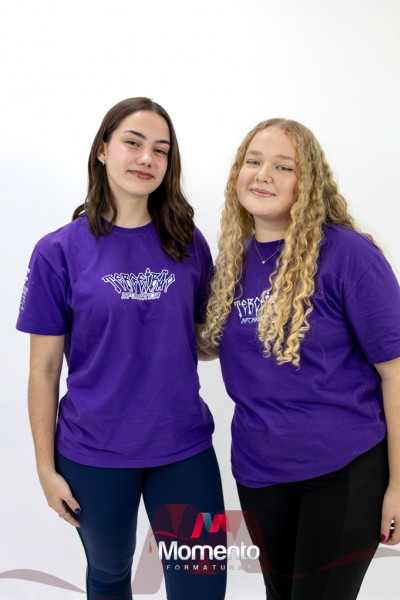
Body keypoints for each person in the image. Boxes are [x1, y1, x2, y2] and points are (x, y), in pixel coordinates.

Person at [16, 97, 226, 600]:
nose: (147, 158)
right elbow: (43, 370)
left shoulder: (187, 242)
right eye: (133, 143)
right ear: (103, 150)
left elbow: (204, 341)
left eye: (161, 150)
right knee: (109, 574)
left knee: (202, 584)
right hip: (94, 452)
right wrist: (45, 469)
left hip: (183, 446)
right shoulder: (58, 251)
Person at [200, 118, 400, 599]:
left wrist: (399, 485)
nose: (263, 174)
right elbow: (203, 344)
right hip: (259, 472)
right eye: (253, 161)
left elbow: (396, 374)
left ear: (307, 183)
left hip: (342, 469)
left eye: (283, 166)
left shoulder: (349, 256)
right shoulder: (233, 263)